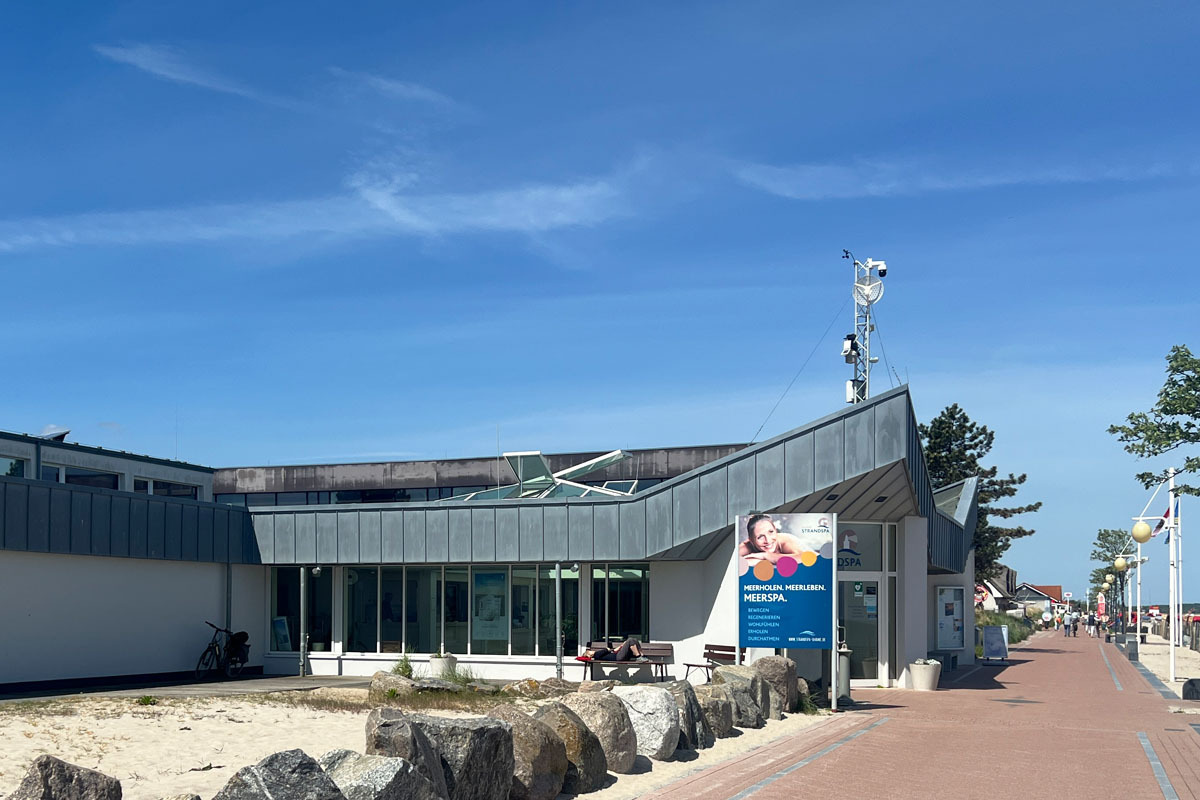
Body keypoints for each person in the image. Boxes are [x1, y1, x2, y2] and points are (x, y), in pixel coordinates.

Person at [738, 514, 806, 564]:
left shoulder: (785, 540)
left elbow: (802, 558)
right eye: (760, 537)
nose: (768, 541)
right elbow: (734, 563)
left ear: (775, 530)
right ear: (751, 541)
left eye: (771, 532)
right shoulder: (745, 547)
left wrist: (765, 555)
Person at [583, 638, 648, 662]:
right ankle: (638, 657)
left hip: (619, 655)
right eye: (589, 651)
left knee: (634, 640)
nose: (592, 651)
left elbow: (611, 651)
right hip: (618, 657)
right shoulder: (596, 655)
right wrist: (609, 649)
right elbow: (606, 650)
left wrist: (621, 646)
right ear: (589, 655)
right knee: (630, 640)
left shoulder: (598, 654)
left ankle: (642, 656)